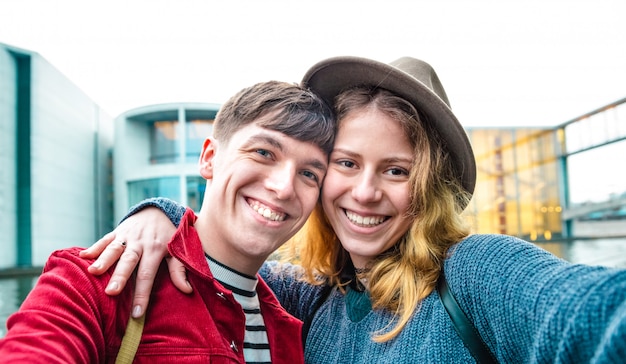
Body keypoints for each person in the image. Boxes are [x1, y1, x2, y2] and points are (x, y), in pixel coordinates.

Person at [83, 56, 626, 363]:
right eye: (345, 164)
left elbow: (588, 314)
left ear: (429, 186)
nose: (365, 192)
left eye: (396, 170)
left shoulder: (476, 274)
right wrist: (157, 215)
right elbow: (226, 250)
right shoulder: (309, 296)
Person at [0, 80, 336, 363]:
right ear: (209, 159)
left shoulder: (293, 319)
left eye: (308, 173)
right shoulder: (101, 280)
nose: (283, 187)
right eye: (264, 153)